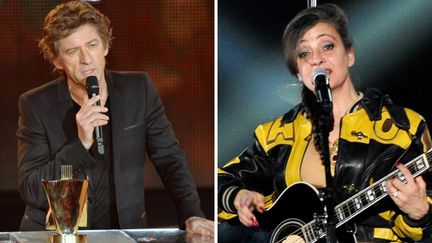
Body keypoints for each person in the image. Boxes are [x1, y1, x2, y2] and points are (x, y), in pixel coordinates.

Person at [218, 3, 432, 242]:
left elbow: (421, 228)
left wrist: (418, 213)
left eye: (327, 46)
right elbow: (220, 180)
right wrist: (238, 196)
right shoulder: (277, 133)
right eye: (304, 53)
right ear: (297, 72)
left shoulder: (403, 127)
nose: (317, 59)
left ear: (349, 54)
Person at [16, 1, 214, 236]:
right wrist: (80, 145)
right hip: (57, 235)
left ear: (106, 46)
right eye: (72, 51)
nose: (86, 59)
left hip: (124, 232)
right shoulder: (36, 104)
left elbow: (169, 159)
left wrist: (192, 214)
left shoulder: (138, 89)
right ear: (57, 60)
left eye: (92, 45)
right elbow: (31, 189)